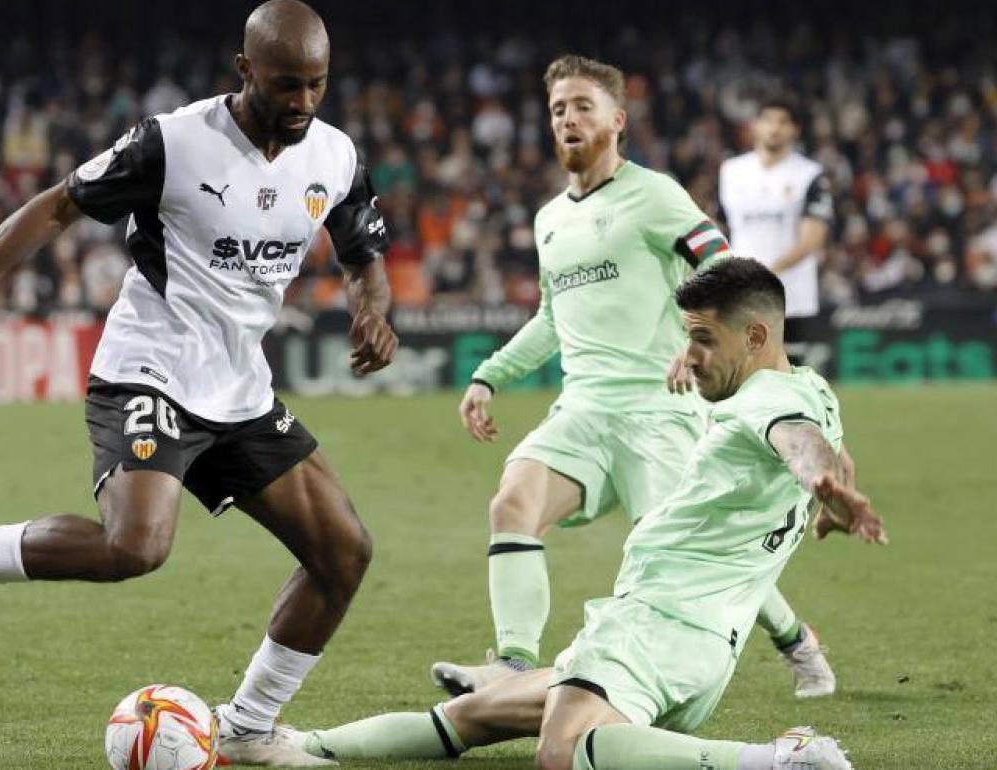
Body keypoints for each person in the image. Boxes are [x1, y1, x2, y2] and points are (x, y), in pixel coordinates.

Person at [0, 2, 396, 765]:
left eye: (316, 85)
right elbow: (56, 208)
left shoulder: (333, 155)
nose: (302, 102)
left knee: (344, 552)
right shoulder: (171, 143)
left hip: (238, 388)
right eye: (285, 85)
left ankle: (246, 727)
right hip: (150, 367)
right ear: (244, 71)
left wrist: (375, 312)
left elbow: (365, 254)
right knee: (135, 546)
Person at [300, 258, 887, 770]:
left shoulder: (763, 400)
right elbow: (817, 441)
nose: (689, 357)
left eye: (704, 338)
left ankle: (776, 760)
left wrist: (819, 479)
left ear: (755, 336)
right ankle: (292, 743)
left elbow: (800, 445)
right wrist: (834, 488)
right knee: (470, 715)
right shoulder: (808, 387)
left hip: (658, 626)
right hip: (700, 648)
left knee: (561, 753)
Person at [432, 56, 834, 702]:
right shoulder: (549, 221)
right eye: (559, 108)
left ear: (617, 121)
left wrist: (698, 337)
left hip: (661, 412)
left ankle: (797, 641)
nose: (568, 117)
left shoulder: (654, 196)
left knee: (693, 554)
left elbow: (724, 262)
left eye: (583, 106)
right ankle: (511, 665)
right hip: (584, 411)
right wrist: (488, 375)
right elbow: (550, 319)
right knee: (512, 503)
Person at [717, 97, 833, 364]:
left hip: (792, 295)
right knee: (741, 375)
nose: (774, 128)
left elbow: (812, 237)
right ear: (755, 126)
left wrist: (769, 272)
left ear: (796, 130)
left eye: (783, 122)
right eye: (768, 120)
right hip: (740, 293)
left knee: (788, 377)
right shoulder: (731, 172)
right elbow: (718, 227)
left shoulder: (810, 174)